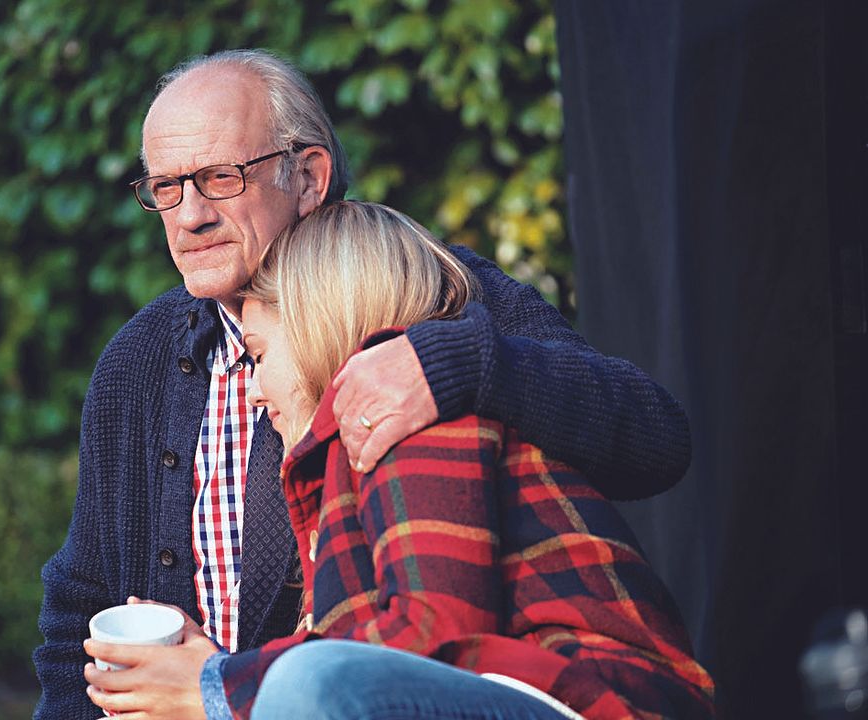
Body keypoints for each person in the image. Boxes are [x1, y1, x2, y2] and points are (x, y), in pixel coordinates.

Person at [34, 49, 693, 719]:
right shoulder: (137, 362)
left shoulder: (428, 293)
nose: (188, 215)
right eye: (165, 188)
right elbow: (80, 608)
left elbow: (657, 439)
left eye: (219, 178)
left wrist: (462, 362)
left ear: (309, 176)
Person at [82, 201, 716, 719]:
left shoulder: (410, 415)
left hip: (596, 704)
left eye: (259, 355)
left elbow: (431, 639)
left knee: (309, 681)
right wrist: (204, 670)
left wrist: (216, 686)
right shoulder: (340, 465)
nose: (252, 389)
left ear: (316, 326)